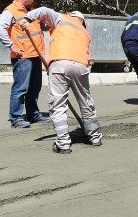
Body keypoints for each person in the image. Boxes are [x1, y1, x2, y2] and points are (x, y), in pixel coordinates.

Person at [19, 8, 103, 154]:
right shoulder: (85, 32)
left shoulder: (62, 18)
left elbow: (43, 11)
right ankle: (95, 136)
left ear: (71, 16)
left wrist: (27, 19)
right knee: (85, 101)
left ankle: (63, 143)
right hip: (81, 66)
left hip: (59, 64)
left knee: (58, 105)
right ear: (82, 21)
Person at [0, 0, 46, 128]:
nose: (35, 1)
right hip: (22, 56)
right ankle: (16, 118)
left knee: (35, 87)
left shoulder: (32, 11)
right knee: (21, 88)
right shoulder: (11, 11)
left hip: (36, 54)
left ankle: (33, 114)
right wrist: (11, 46)